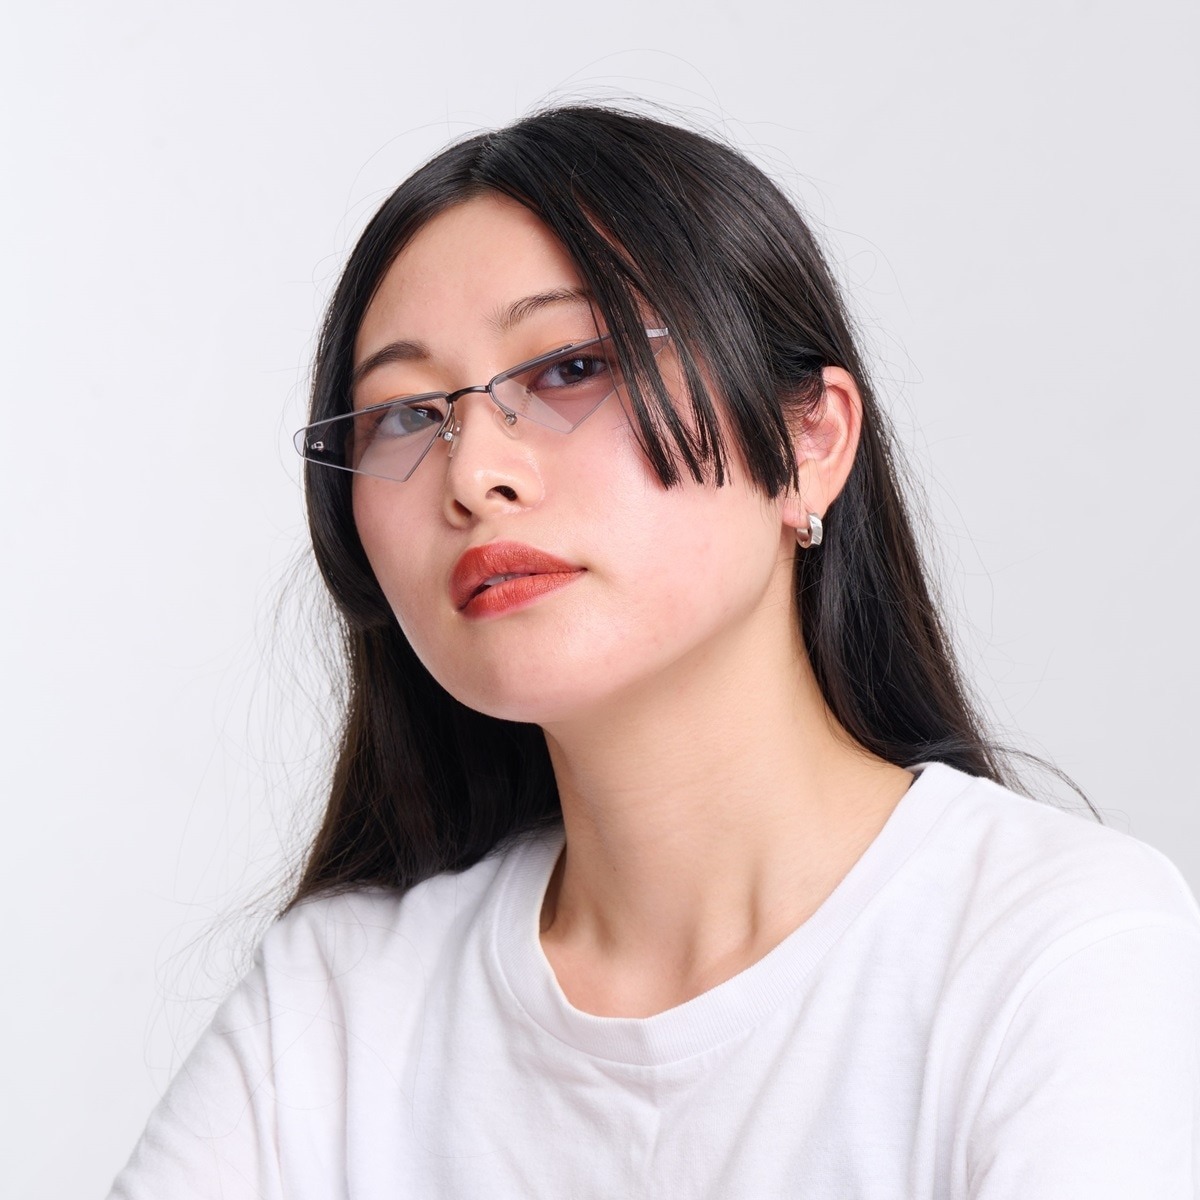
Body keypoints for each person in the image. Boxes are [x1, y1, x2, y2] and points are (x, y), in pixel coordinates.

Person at [108, 105, 1200, 1198]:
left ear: (810, 441)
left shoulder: (1054, 947)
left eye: (574, 366)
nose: (473, 473)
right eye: (403, 415)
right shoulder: (336, 1003)